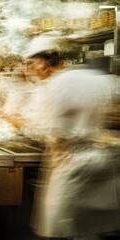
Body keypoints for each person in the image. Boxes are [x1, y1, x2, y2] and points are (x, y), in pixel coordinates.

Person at [20, 36, 120, 239]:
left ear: (43, 63)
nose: (30, 70)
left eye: (31, 64)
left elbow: (50, 132)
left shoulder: (55, 85)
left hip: (71, 164)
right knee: (91, 230)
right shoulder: (98, 78)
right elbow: (113, 112)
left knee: (65, 228)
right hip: (102, 163)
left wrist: (22, 124)